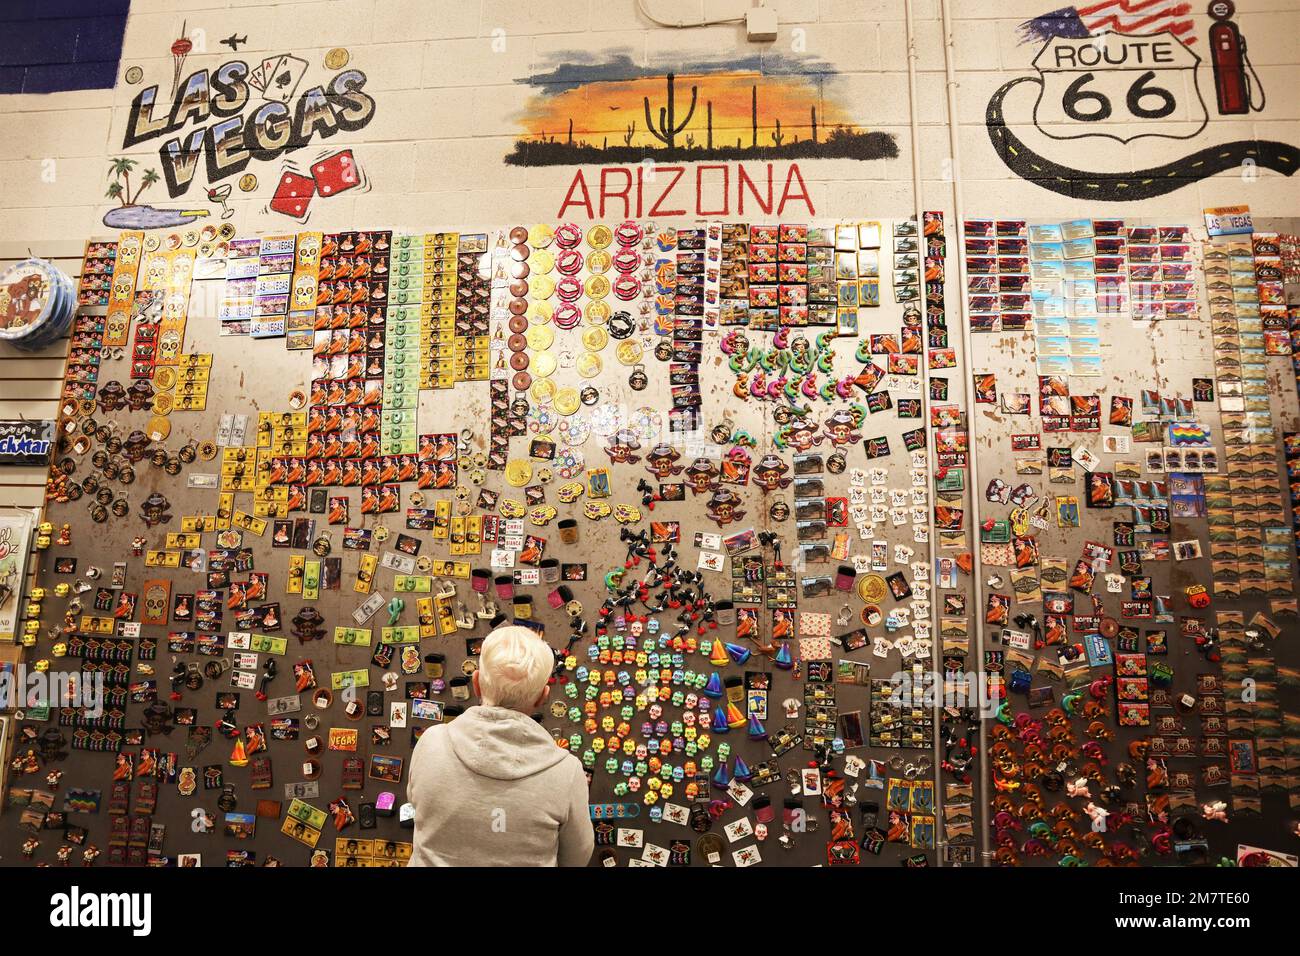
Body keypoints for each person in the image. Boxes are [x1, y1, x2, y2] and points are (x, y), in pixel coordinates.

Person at [406, 625, 593, 867]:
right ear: (542, 697)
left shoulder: (430, 742)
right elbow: (577, 858)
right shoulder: (567, 772)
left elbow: (417, 805)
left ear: (476, 684)